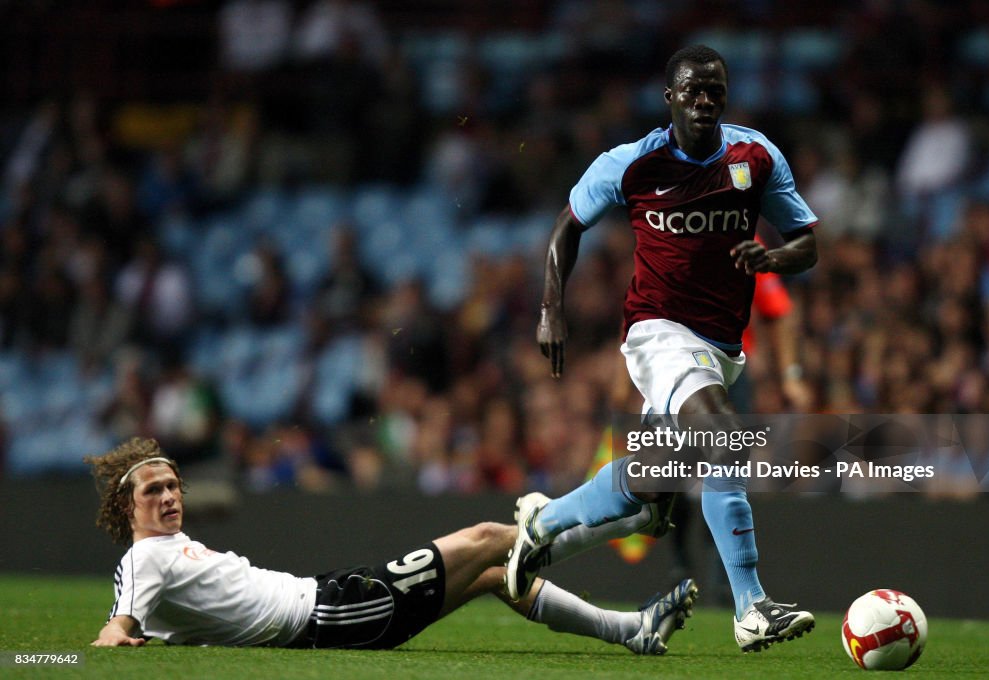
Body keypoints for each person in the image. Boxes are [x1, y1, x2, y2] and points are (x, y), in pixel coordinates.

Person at [507, 45, 819, 653]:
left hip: (723, 347)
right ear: (670, 98)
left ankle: (541, 524)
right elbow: (567, 227)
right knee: (725, 436)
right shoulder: (631, 164)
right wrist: (551, 310)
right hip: (658, 332)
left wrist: (773, 257)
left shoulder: (755, 157)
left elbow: (805, 242)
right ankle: (752, 608)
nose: (705, 101)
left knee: (654, 493)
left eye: (716, 92)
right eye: (693, 92)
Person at [86, 437, 696, 654]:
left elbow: (163, 620)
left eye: (172, 485)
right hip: (332, 610)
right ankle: (632, 515)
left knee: (491, 575)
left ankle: (631, 630)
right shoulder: (144, 557)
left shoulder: (166, 552)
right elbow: (120, 622)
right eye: (152, 491)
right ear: (124, 507)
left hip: (333, 606)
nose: (168, 497)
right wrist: (84, 650)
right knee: (489, 539)